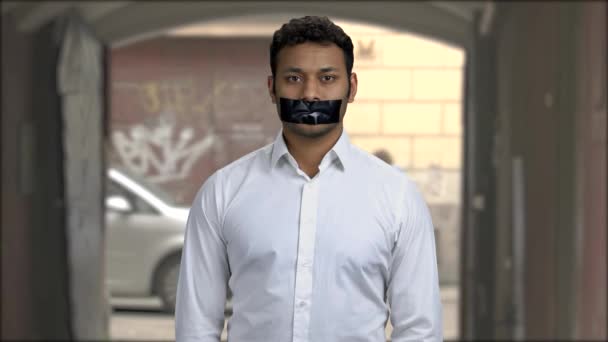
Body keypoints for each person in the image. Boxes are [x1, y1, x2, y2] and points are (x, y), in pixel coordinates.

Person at [175, 16, 442, 341]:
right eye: (294, 78)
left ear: (352, 87)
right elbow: (196, 328)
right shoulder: (222, 192)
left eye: (327, 78)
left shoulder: (398, 198)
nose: (310, 93)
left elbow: (420, 331)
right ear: (272, 88)